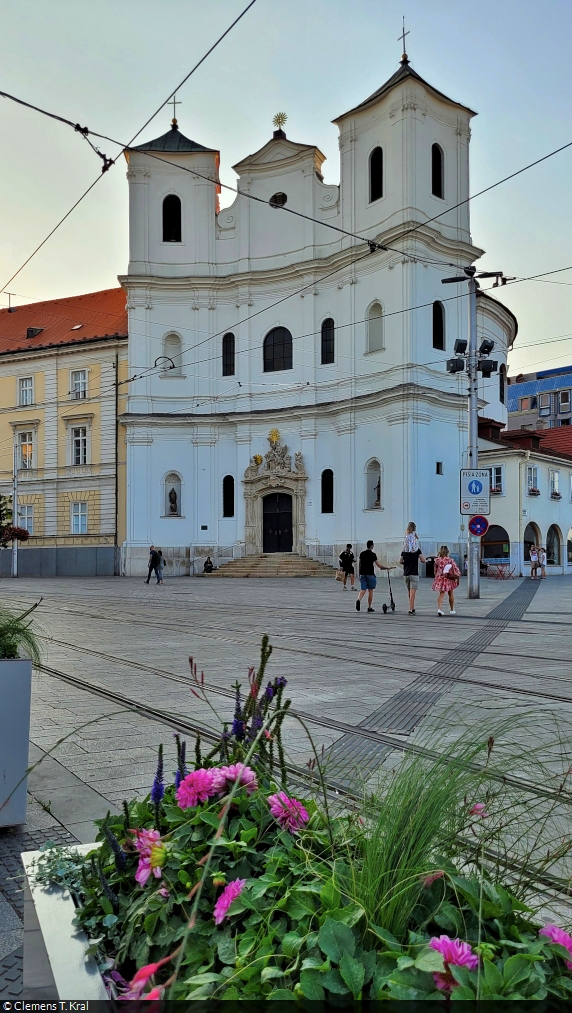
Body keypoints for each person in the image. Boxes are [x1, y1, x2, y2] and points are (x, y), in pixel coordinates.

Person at [400, 522, 426, 615]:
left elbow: (400, 561)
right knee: (413, 592)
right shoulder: (416, 549)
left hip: (406, 574)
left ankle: (412, 607)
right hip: (414, 573)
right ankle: (411, 609)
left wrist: (405, 562)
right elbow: (423, 560)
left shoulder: (404, 550)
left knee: (410, 592)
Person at [356, 540, 387, 613]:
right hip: (370, 574)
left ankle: (358, 600)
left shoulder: (362, 554)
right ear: (371, 546)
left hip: (362, 574)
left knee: (363, 590)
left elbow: (360, 564)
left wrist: (359, 573)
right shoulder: (373, 555)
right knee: (370, 590)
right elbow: (378, 565)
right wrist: (386, 568)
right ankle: (369, 607)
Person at [432, 546, 461, 616]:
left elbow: (435, 572)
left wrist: (438, 575)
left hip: (440, 579)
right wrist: (457, 576)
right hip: (449, 578)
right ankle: (452, 610)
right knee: (450, 594)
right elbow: (456, 569)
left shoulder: (437, 560)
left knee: (441, 594)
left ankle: (439, 609)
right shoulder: (450, 560)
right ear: (447, 552)